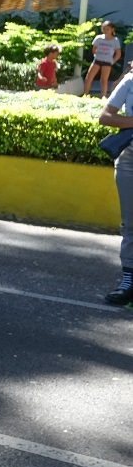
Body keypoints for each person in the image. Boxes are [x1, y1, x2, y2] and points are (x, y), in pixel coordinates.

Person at [100, 72, 133, 306]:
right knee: (130, 224)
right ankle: (128, 282)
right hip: (129, 161)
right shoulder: (131, 80)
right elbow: (105, 116)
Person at [85, 21, 121, 98]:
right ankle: (85, 95)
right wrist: (96, 54)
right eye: (104, 29)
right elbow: (94, 49)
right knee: (89, 77)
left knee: (104, 80)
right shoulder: (98, 38)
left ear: (112, 29)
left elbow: (118, 53)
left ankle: (103, 97)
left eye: (107, 29)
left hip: (107, 62)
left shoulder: (115, 41)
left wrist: (112, 61)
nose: (105, 30)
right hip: (97, 60)